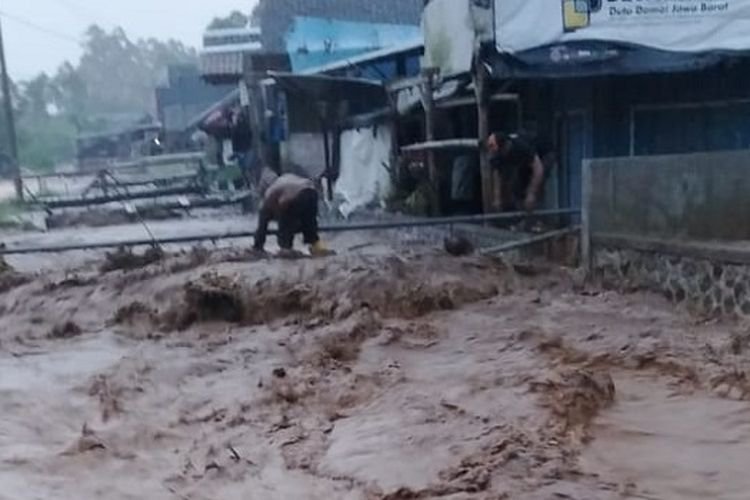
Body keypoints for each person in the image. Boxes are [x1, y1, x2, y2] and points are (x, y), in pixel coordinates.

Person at [253, 168, 329, 256]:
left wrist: (257, 245)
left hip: (296, 196)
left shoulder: (269, 193)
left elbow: (263, 222)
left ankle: (286, 249)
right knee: (309, 223)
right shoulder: (285, 178)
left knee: (285, 223)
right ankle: (317, 247)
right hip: (312, 192)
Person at [487, 132, 546, 212]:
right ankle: (519, 214)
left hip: (543, 155)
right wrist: (497, 198)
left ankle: (537, 215)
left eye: (500, 151)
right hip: (521, 163)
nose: (497, 153)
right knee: (513, 185)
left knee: (536, 186)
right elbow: (497, 175)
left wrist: (532, 193)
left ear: (506, 146)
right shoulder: (497, 154)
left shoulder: (521, 147)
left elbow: (538, 168)